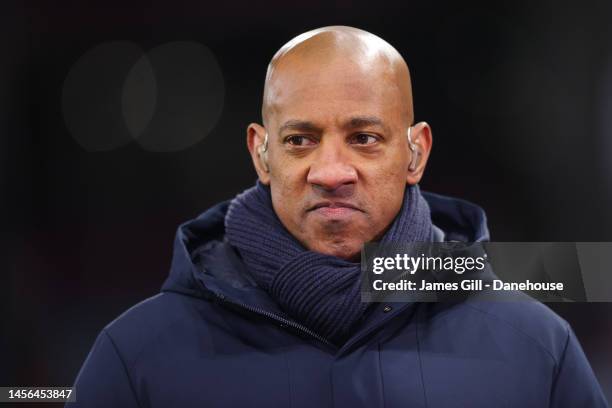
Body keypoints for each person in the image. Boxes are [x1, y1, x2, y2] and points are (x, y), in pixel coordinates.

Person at [67, 26, 608, 407]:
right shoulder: (135, 354)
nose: (331, 171)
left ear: (415, 152)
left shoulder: (537, 347)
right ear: (261, 154)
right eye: (300, 140)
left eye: (364, 138)